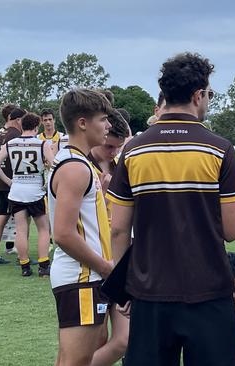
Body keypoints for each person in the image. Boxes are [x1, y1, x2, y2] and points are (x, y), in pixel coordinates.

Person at [107, 52, 235, 366]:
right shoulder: (219, 148)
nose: (207, 100)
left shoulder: (133, 149)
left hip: (149, 292)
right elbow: (231, 231)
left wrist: (124, 283)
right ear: (197, 95)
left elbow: (118, 228)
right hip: (208, 291)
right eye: (208, 94)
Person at [48, 88, 114, 365]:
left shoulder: (76, 161)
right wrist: (103, 266)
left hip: (82, 278)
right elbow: (62, 233)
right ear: (82, 123)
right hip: (82, 278)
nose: (108, 125)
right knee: (77, 361)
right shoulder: (75, 167)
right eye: (103, 119)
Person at [87, 108, 131, 366]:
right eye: (110, 146)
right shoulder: (81, 166)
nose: (114, 152)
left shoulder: (121, 165)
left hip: (120, 256)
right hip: (94, 261)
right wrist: (102, 196)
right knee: (98, 336)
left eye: (119, 147)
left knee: (124, 339)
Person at [0, 113, 54, 277]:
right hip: (36, 191)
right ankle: (43, 264)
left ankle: (25, 266)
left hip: (17, 190)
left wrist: (9, 181)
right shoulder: (42, 144)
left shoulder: (11, 144)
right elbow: (54, 165)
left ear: (22, 126)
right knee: (43, 229)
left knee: (20, 229)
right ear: (36, 127)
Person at [0, 107, 25, 263]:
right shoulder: (15, 135)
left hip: (1, 182)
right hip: (11, 181)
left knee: (1, 217)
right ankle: (21, 255)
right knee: (20, 219)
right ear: (17, 120)